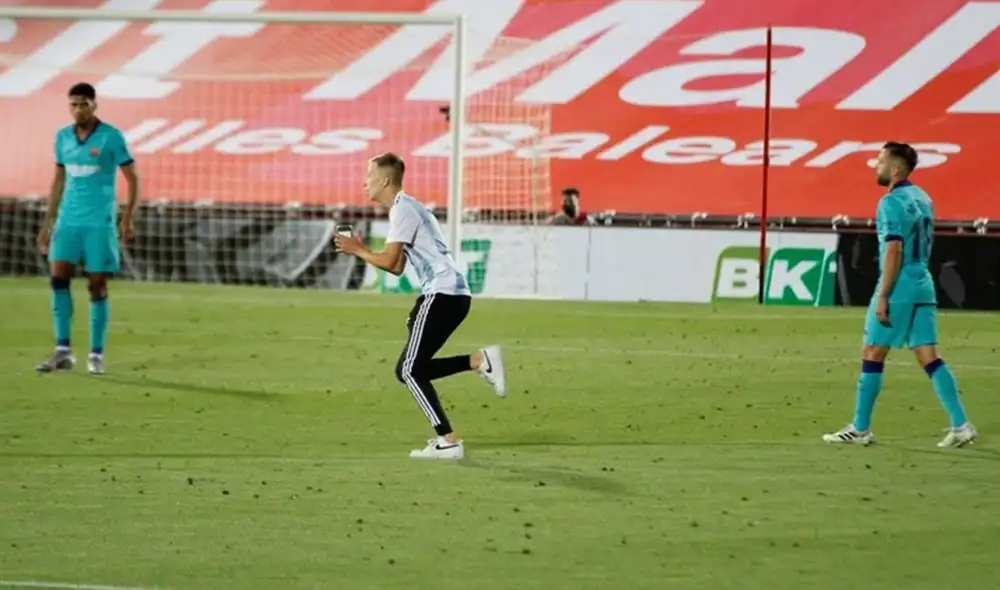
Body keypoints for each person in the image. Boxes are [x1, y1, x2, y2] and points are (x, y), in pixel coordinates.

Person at [335, 152, 507, 460]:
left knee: (411, 371)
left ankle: (449, 441)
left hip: (443, 293)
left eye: (369, 175)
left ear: (385, 180)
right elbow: (398, 266)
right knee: (408, 369)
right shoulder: (404, 209)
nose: (365, 182)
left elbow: (389, 261)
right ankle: (478, 361)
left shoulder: (403, 210)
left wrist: (359, 249)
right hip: (448, 294)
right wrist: (361, 251)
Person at [823, 142, 976, 448]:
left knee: (872, 353)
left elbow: (894, 249)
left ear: (895, 169)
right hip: (924, 282)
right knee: (928, 356)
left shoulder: (889, 202)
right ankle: (961, 425)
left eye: (880, 161)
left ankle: (860, 429)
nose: (875, 166)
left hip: (901, 287)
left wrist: (883, 294)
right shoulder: (923, 197)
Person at [36, 82, 140, 375]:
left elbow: (133, 178)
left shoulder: (111, 137)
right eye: (73, 104)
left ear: (94, 104)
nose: (78, 109)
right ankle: (62, 351)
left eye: (83, 104)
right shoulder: (62, 138)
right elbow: (58, 180)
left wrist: (128, 217)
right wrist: (48, 222)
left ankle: (95, 354)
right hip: (67, 222)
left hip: (99, 223)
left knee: (97, 285)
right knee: (58, 280)